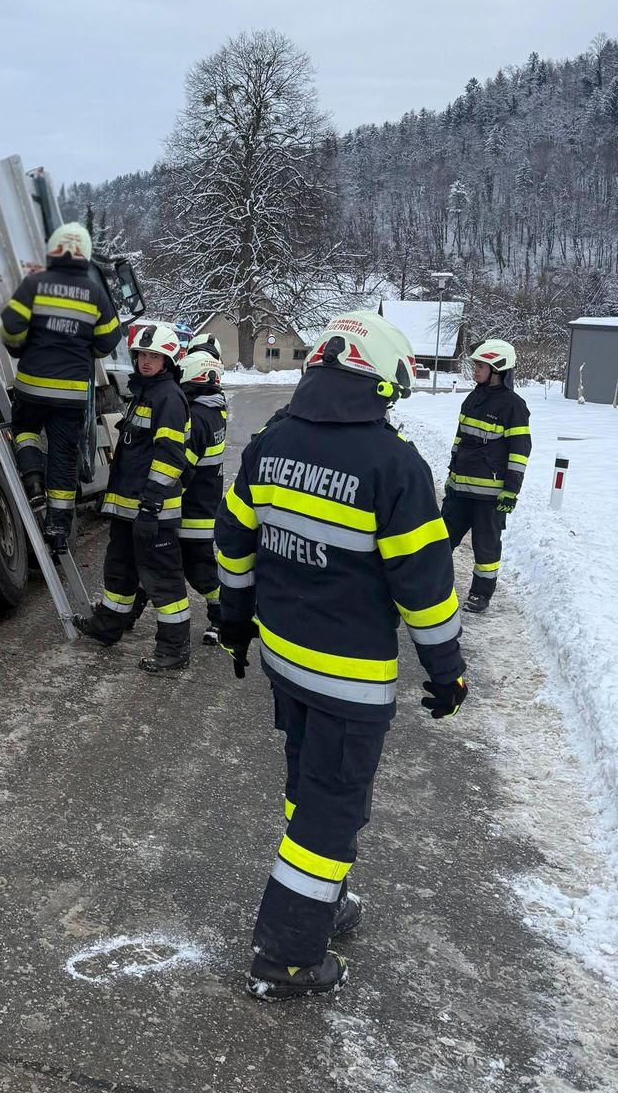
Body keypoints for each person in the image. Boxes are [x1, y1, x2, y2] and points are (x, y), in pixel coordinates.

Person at [214, 310, 467, 999]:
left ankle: (330, 901)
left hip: (286, 662)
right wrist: (447, 671)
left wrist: (234, 626)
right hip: (349, 679)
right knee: (332, 808)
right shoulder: (394, 466)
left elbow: (233, 550)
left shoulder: (269, 445)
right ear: (378, 381)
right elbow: (426, 589)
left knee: (310, 784)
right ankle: (287, 955)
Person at [74, 321, 193, 674]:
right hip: (130, 510)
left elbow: (170, 458)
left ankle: (174, 652)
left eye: (154, 356)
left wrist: (151, 505)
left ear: (168, 360)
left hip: (151, 512)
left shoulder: (168, 398)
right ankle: (108, 628)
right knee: (119, 571)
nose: (145, 362)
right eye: (142, 355)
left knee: (163, 583)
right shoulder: (144, 393)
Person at [0, 222, 120, 553]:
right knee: (65, 456)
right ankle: (57, 530)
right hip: (71, 394)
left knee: (25, 428)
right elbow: (109, 340)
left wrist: (20, 348)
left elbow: (10, 328)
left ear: (53, 250)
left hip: (32, 387)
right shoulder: (94, 294)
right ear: (85, 254)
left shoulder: (35, 284)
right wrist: (86, 347)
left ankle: (33, 480)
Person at [442, 339, 532, 614]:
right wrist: (451, 474)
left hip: (490, 498)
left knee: (486, 549)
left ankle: (480, 595)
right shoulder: (473, 397)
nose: (475, 371)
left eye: (480, 366)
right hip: (459, 491)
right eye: (475, 366)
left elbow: (520, 451)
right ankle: (433, 587)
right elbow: (460, 440)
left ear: (498, 370)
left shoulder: (514, 406)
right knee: (440, 542)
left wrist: (510, 491)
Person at [179, 348, 229, 645]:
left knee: (199, 570)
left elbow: (182, 470)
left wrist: (157, 498)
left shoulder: (197, 418)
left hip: (191, 510)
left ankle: (225, 617)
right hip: (203, 505)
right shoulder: (215, 409)